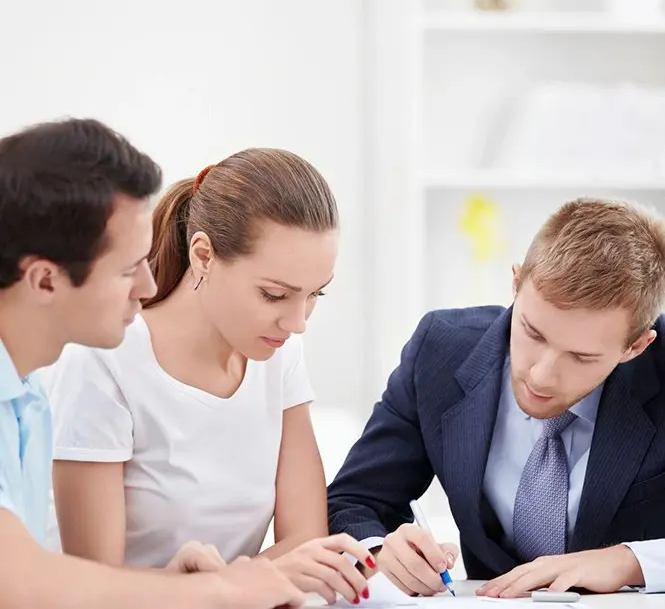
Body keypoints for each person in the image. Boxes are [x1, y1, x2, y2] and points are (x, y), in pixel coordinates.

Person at [0, 117, 308, 608]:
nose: (148, 287)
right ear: (43, 282)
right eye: (128, 270)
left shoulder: (26, 394)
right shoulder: (78, 376)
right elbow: (15, 579)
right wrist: (217, 590)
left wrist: (170, 585)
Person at [47, 146, 375, 605]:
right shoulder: (103, 361)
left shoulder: (280, 357)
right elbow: (95, 586)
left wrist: (232, 586)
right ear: (203, 254)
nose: (298, 322)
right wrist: (242, 582)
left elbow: (305, 540)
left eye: (314, 294)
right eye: (274, 294)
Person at [328, 197, 665, 597]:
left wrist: (631, 562)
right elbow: (353, 501)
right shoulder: (439, 350)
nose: (541, 374)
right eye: (533, 333)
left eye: (581, 357)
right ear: (516, 283)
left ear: (636, 347)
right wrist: (380, 551)